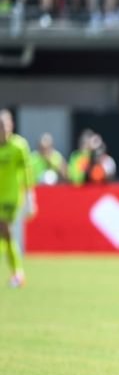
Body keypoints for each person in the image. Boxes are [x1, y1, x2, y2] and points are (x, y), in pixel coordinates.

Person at [0, 112, 36, 288]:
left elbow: (27, 172)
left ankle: (18, 274)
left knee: (4, 229)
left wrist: (30, 196)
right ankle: (17, 273)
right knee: (5, 238)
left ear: (11, 126)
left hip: (11, 197)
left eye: (4, 125)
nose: (2, 129)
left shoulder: (19, 146)